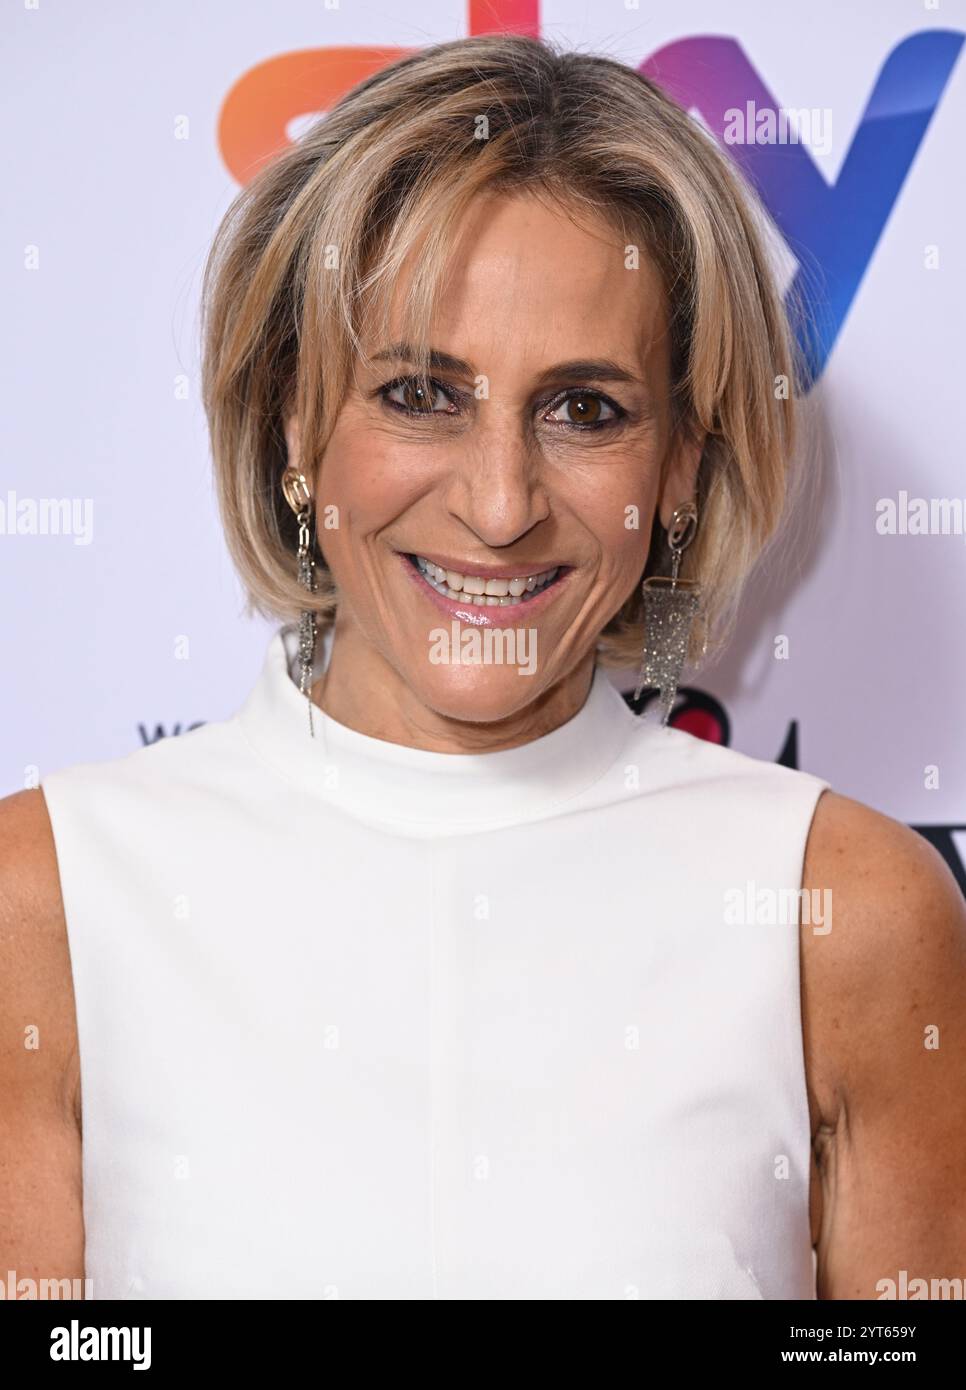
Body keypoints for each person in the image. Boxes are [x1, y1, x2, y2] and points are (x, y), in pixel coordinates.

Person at [2, 33, 964, 1301]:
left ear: (680, 463)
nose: (501, 503)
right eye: (419, 392)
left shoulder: (847, 915)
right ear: (298, 417)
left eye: (587, 409)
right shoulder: (44, 903)